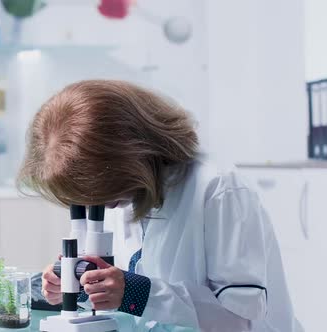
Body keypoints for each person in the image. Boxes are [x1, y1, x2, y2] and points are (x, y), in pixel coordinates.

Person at [17, 80, 301, 331]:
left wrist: (136, 294)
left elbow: (241, 321)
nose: (97, 203)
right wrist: (77, 287)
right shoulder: (125, 195)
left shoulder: (218, 189)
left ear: (130, 156)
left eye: (99, 191)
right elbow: (126, 298)